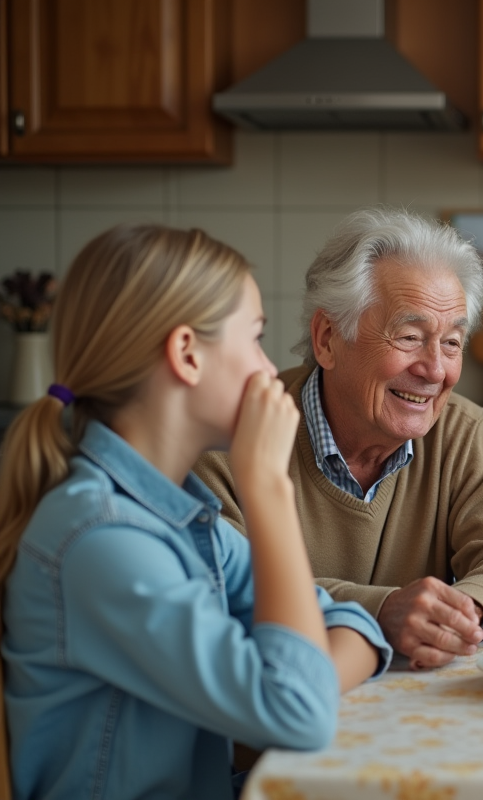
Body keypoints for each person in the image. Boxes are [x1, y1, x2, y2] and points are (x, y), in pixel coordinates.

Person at [0, 224, 392, 800]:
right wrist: (267, 489)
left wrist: (300, 675)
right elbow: (300, 710)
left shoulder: (176, 514)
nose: (267, 370)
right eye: (254, 339)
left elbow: (352, 625)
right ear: (186, 353)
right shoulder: (103, 541)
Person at [195, 208, 483, 670]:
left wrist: (456, 616)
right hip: (278, 714)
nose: (435, 369)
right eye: (410, 336)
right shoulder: (231, 442)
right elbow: (221, 585)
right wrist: (380, 611)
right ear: (328, 339)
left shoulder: (461, 432)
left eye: (452, 343)